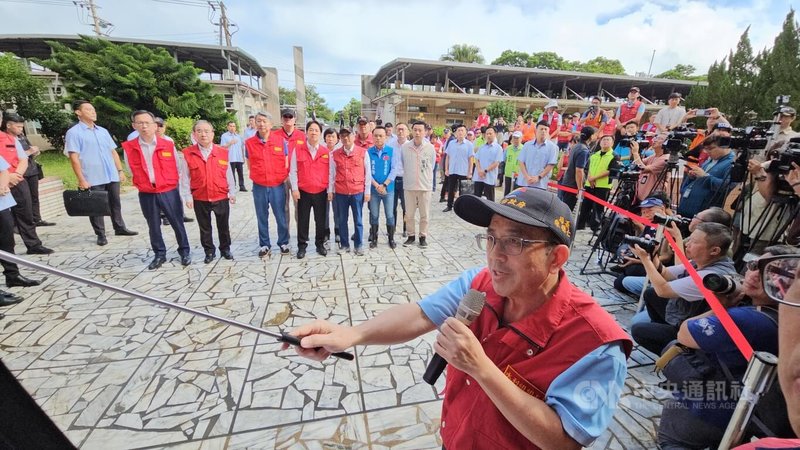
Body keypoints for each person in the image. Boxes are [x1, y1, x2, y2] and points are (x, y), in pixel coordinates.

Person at [285, 188, 632, 449]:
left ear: (556, 258)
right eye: (491, 238)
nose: (495, 257)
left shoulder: (596, 343)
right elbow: (422, 314)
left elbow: (564, 440)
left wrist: (480, 368)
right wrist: (352, 335)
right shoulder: (479, 286)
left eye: (514, 243)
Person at [658, 246, 796, 449]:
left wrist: (720, 307)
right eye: (754, 266)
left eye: (771, 273)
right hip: (747, 409)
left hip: (715, 411)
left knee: (670, 440)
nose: (754, 275)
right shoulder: (781, 319)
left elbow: (684, 333)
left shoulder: (749, 319)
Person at [629, 222, 737, 355]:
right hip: (686, 313)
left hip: (694, 330)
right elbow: (666, 273)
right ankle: (664, 330)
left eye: (694, 242)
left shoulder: (710, 276)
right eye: (689, 239)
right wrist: (652, 255)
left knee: (638, 329)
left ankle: (676, 353)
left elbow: (663, 290)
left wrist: (645, 260)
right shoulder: (700, 262)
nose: (687, 244)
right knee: (650, 294)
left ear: (714, 250)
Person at [120, 110, 191, 270]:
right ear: (134, 126)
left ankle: (184, 251)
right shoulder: (130, 147)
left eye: (147, 123)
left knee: (177, 221)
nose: (144, 126)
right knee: (153, 224)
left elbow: (177, 166)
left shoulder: (167, 144)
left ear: (154, 126)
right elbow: (130, 168)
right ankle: (160, 254)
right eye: (140, 123)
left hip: (168, 190)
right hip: (147, 192)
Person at [64, 100, 138, 246]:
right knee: (96, 206)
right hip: (92, 176)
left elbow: (113, 152)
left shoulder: (103, 131)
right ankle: (101, 234)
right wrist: (81, 179)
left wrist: (120, 171)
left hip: (111, 173)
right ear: (78, 113)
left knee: (115, 202)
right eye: (88, 109)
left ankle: (120, 227)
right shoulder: (74, 133)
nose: (93, 112)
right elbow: (74, 158)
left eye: (93, 109)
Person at [183, 120, 237, 264]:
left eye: (207, 131)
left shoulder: (222, 153)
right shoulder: (188, 153)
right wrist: (187, 196)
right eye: (199, 131)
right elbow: (185, 177)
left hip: (220, 195)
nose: (203, 134)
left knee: (223, 226)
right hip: (200, 197)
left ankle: (225, 249)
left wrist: (232, 192)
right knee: (205, 227)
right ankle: (209, 251)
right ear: (194, 134)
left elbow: (229, 174)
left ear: (213, 134)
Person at [0, 115, 53, 255]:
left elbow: (23, 159)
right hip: (2, 183)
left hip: (17, 180)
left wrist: (16, 175)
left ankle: (33, 244)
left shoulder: (11, 139)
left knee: (26, 213)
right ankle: (6, 252)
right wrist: (6, 178)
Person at [245, 112, 291, 258]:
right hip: (259, 186)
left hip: (277, 185)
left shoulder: (280, 141)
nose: (261, 124)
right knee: (261, 216)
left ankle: (283, 242)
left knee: (281, 215)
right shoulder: (249, 143)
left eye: (264, 121)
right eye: (258, 121)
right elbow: (249, 164)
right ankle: (265, 244)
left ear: (271, 124)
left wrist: (281, 178)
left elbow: (286, 161)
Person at [0, 156, 42, 311]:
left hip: (2, 201)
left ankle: (12, 276)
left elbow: (3, 170)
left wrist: (3, 185)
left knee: (6, 242)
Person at [289, 121, 331, 259]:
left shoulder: (325, 152)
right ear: (306, 132)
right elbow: (293, 170)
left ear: (320, 134)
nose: (314, 133)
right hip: (303, 192)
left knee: (320, 220)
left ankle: (320, 244)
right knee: (303, 220)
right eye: (311, 130)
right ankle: (302, 246)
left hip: (321, 192)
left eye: (316, 130)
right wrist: (295, 189)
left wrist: (330, 190)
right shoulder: (298, 149)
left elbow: (331, 173)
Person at [330, 128, 371, 256]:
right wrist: (330, 191)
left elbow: (368, 173)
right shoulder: (335, 154)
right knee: (342, 220)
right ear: (340, 139)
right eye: (342, 136)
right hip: (341, 192)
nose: (345, 138)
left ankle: (358, 245)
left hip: (357, 191)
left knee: (358, 220)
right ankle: (344, 245)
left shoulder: (363, 152)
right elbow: (331, 174)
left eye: (348, 135)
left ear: (353, 136)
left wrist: (367, 191)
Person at [677, 134, 734, 219]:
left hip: (702, 214)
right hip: (687, 208)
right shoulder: (711, 159)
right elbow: (701, 177)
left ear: (724, 147)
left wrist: (705, 176)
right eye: (705, 149)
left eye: (710, 148)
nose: (707, 152)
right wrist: (692, 176)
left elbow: (727, 186)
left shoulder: (731, 163)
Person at [401, 122, 436, 248]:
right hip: (409, 186)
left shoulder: (430, 148)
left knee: (424, 214)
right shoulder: (405, 147)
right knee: (409, 214)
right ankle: (411, 236)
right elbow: (403, 163)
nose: (417, 133)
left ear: (425, 132)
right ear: (411, 131)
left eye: (420, 130)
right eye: (415, 130)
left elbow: (431, 165)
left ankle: (423, 236)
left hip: (424, 186)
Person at [366, 126, 398, 250]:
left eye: (381, 136)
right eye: (376, 136)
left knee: (390, 214)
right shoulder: (368, 152)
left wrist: (384, 184)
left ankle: (391, 238)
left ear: (385, 137)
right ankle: (374, 238)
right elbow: (367, 172)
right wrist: (376, 185)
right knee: (374, 215)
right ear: (372, 137)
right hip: (374, 190)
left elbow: (394, 169)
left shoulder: (392, 151)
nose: (378, 138)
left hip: (388, 189)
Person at [577, 135, 617, 231]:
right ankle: (580, 224)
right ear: (600, 142)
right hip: (589, 184)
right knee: (585, 206)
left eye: (608, 140)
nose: (605, 141)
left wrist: (594, 178)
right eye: (603, 140)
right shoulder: (594, 154)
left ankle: (595, 226)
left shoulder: (614, 156)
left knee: (598, 207)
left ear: (612, 143)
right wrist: (590, 178)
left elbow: (610, 171)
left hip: (603, 186)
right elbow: (587, 168)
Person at [558, 127, 595, 211]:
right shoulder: (583, 150)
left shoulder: (576, 146)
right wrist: (580, 188)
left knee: (563, 210)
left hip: (567, 181)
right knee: (566, 212)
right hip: (573, 185)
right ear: (591, 136)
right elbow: (579, 170)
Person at [517, 121, 559, 190]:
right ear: (536, 130)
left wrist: (538, 177)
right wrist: (527, 177)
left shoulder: (552, 147)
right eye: (541, 129)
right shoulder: (527, 145)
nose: (543, 131)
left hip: (540, 184)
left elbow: (551, 165)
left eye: (546, 129)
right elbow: (521, 161)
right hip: (524, 182)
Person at [442, 124, 473, 212]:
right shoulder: (451, 143)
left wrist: (470, 172)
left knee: (463, 191)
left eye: (462, 130)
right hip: (453, 170)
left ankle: (462, 208)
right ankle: (449, 205)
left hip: (463, 171)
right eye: (458, 130)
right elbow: (448, 157)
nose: (460, 132)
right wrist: (446, 169)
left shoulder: (469, 145)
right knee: (451, 189)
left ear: (465, 133)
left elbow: (471, 159)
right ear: (456, 133)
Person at [471, 126, 503, 201]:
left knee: (490, 198)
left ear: (495, 134)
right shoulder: (482, 147)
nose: (488, 135)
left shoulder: (498, 148)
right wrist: (479, 171)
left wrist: (485, 171)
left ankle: (490, 212)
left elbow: (496, 163)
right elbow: (476, 159)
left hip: (489, 176)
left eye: (490, 134)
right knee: (477, 196)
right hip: (478, 176)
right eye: (487, 134)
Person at [392, 123, 410, 237]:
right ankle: (392, 228)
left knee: (406, 207)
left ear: (408, 132)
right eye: (398, 129)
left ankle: (405, 228)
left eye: (403, 129)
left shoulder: (411, 146)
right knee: (392, 207)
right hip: (393, 180)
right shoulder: (390, 145)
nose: (400, 132)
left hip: (406, 180)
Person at [220, 121, 247, 192]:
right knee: (231, 174)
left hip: (239, 157)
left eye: (233, 126)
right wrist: (230, 143)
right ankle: (233, 186)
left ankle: (242, 186)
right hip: (230, 158)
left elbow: (241, 147)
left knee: (240, 173)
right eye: (231, 126)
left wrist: (243, 157)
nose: (232, 128)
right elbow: (222, 147)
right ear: (228, 127)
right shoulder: (224, 136)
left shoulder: (238, 136)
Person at [503, 131, 523, 196]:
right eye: (514, 138)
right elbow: (504, 159)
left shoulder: (524, 149)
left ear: (521, 139)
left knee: (516, 193)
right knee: (507, 191)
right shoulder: (508, 148)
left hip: (518, 175)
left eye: (517, 138)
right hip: (508, 173)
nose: (515, 140)